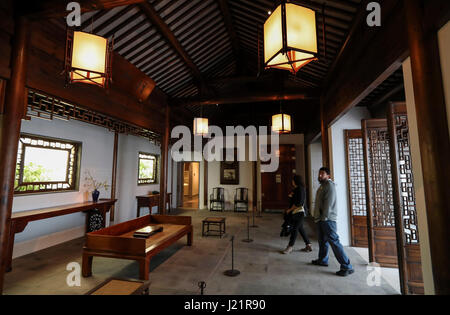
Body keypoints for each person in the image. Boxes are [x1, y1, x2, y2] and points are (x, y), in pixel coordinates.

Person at [311, 167, 354, 277]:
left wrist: (324, 218)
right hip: (322, 219)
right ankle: (323, 260)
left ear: (328, 176)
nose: (320, 175)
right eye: (319, 173)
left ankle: (347, 266)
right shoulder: (323, 186)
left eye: (323, 174)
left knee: (334, 242)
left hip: (328, 220)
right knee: (323, 241)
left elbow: (329, 204)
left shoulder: (329, 186)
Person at [281, 175, 312, 254]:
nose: (292, 182)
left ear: (296, 181)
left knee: (295, 229)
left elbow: (299, 203)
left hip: (299, 212)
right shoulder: (297, 189)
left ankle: (290, 247)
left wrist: (289, 210)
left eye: (293, 180)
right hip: (296, 212)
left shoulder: (300, 189)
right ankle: (308, 244)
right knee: (300, 228)